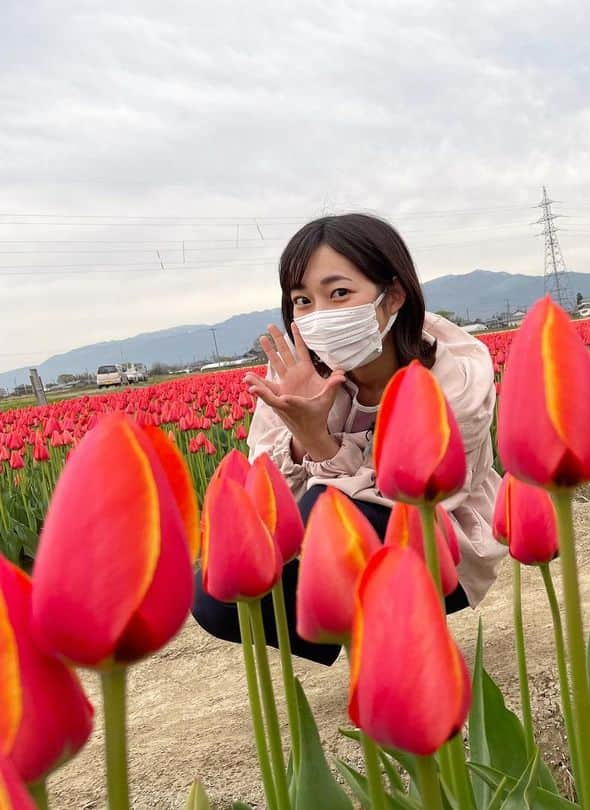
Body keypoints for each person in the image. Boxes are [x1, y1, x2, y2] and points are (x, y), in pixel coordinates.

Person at [192, 213, 506, 665]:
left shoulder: (451, 371)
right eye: (302, 300)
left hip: (440, 542)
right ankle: (361, 640)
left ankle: (402, 646)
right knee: (214, 593)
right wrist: (302, 434)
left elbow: (407, 495)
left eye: (339, 293)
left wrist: (321, 443)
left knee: (325, 510)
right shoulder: (295, 377)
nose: (319, 315)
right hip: (325, 549)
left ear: (392, 294)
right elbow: (270, 507)